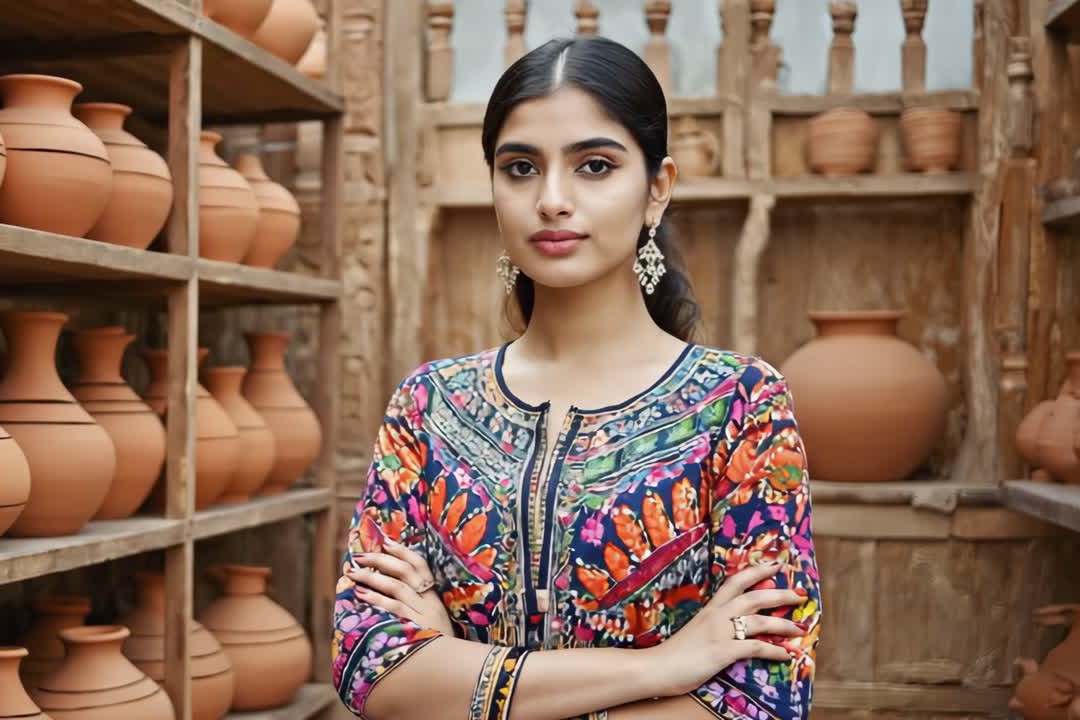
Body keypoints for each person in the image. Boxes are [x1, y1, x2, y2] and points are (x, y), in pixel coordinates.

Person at [332, 36, 821, 720]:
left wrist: (456, 680)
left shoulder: (740, 407)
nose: (552, 199)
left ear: (657, 189)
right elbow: (370, 670)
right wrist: (663, 666)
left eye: (594, 165)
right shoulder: (428, 408)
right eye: (521, 167)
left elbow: (764, 696)